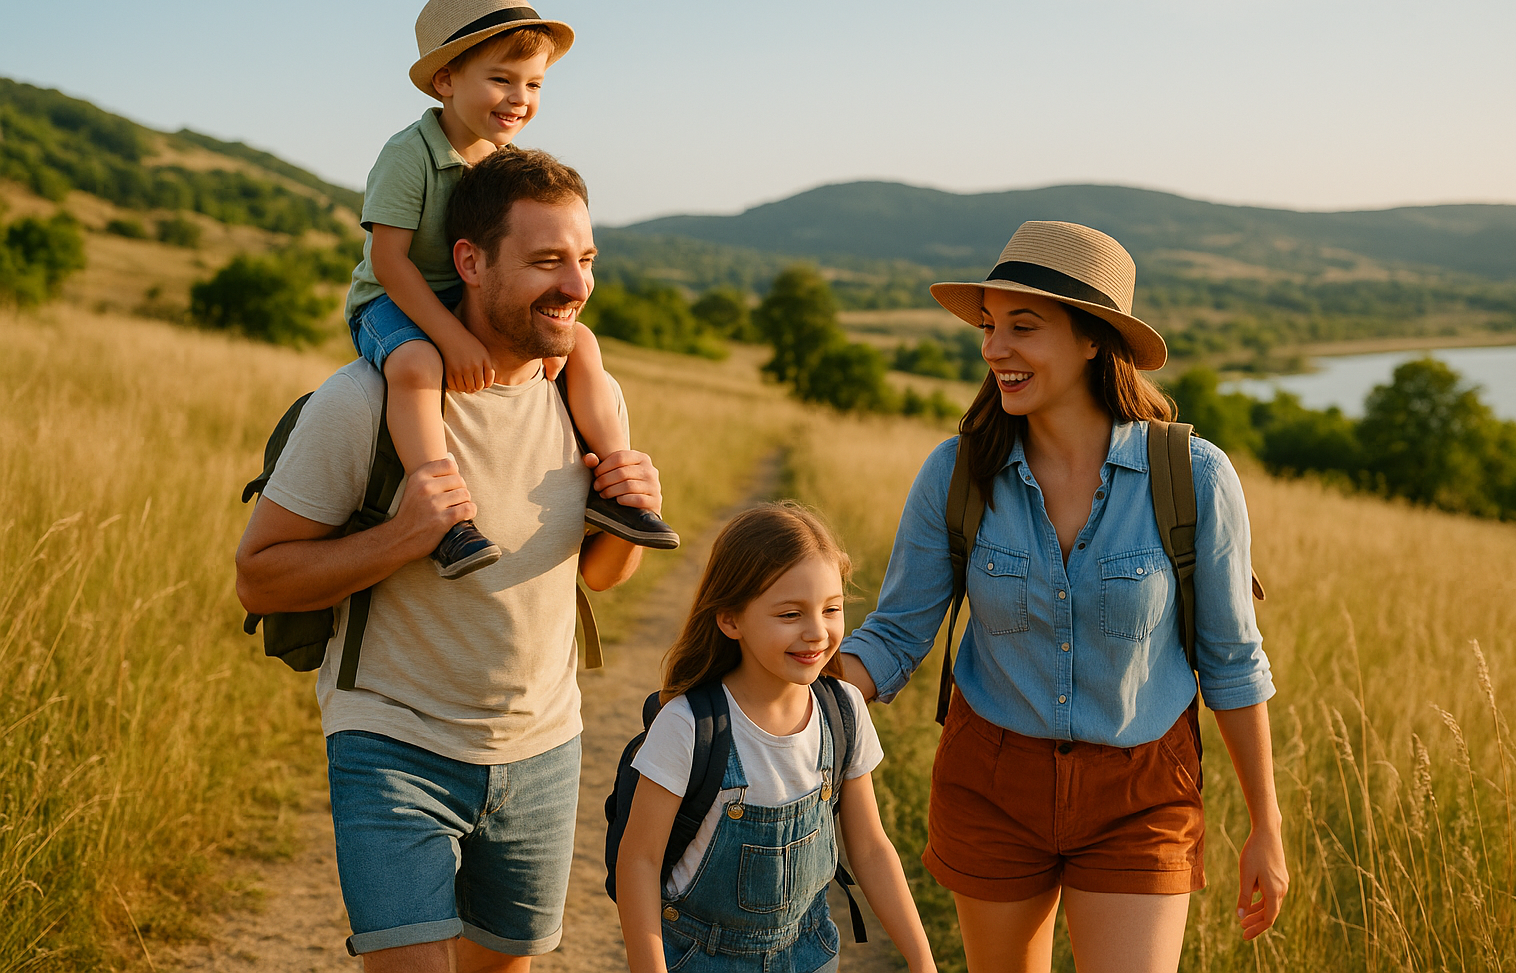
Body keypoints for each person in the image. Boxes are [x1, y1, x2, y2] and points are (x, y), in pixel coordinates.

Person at [235, 148, 658, 973]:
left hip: (543, 749)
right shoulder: (361, 403)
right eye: (546, 262)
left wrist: (629, 507)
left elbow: (602, 577)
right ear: (469, 260)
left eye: (585, 260)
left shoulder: (583, 399)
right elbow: (259, 574)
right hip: (392, 743)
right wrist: (404, 534)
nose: (575, 285)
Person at [837, 222, 1288, 973]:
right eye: (988, 327)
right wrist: (796, 696)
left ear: (1091, 339)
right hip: (991, 781)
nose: (994, 349)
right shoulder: (957, 473)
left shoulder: (1194, 477)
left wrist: (1265, 827)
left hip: (1143, 791)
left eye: (1023, 327)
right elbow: (895, 635)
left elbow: (1233, 662)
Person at [343, 0, 676, 580]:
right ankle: (442, 511)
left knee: (583, 345)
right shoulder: (409, 155)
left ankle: (617, 489)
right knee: (415, 366)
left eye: (533, 83)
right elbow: (389, 263)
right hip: (391, 300)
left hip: (461, 295)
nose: (518, 98)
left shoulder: (501, 164)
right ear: (446, 80)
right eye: (500, 79)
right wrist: (452, 337)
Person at [616, 504, 938, 973]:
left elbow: (870, 848)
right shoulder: (688, 725)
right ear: (731, 620)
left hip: (809, 955)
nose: (816, 633)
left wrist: (922, 961)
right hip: (698, 959)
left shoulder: (843, 711)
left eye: (831, 609)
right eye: (790, 614)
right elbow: (639, 862)